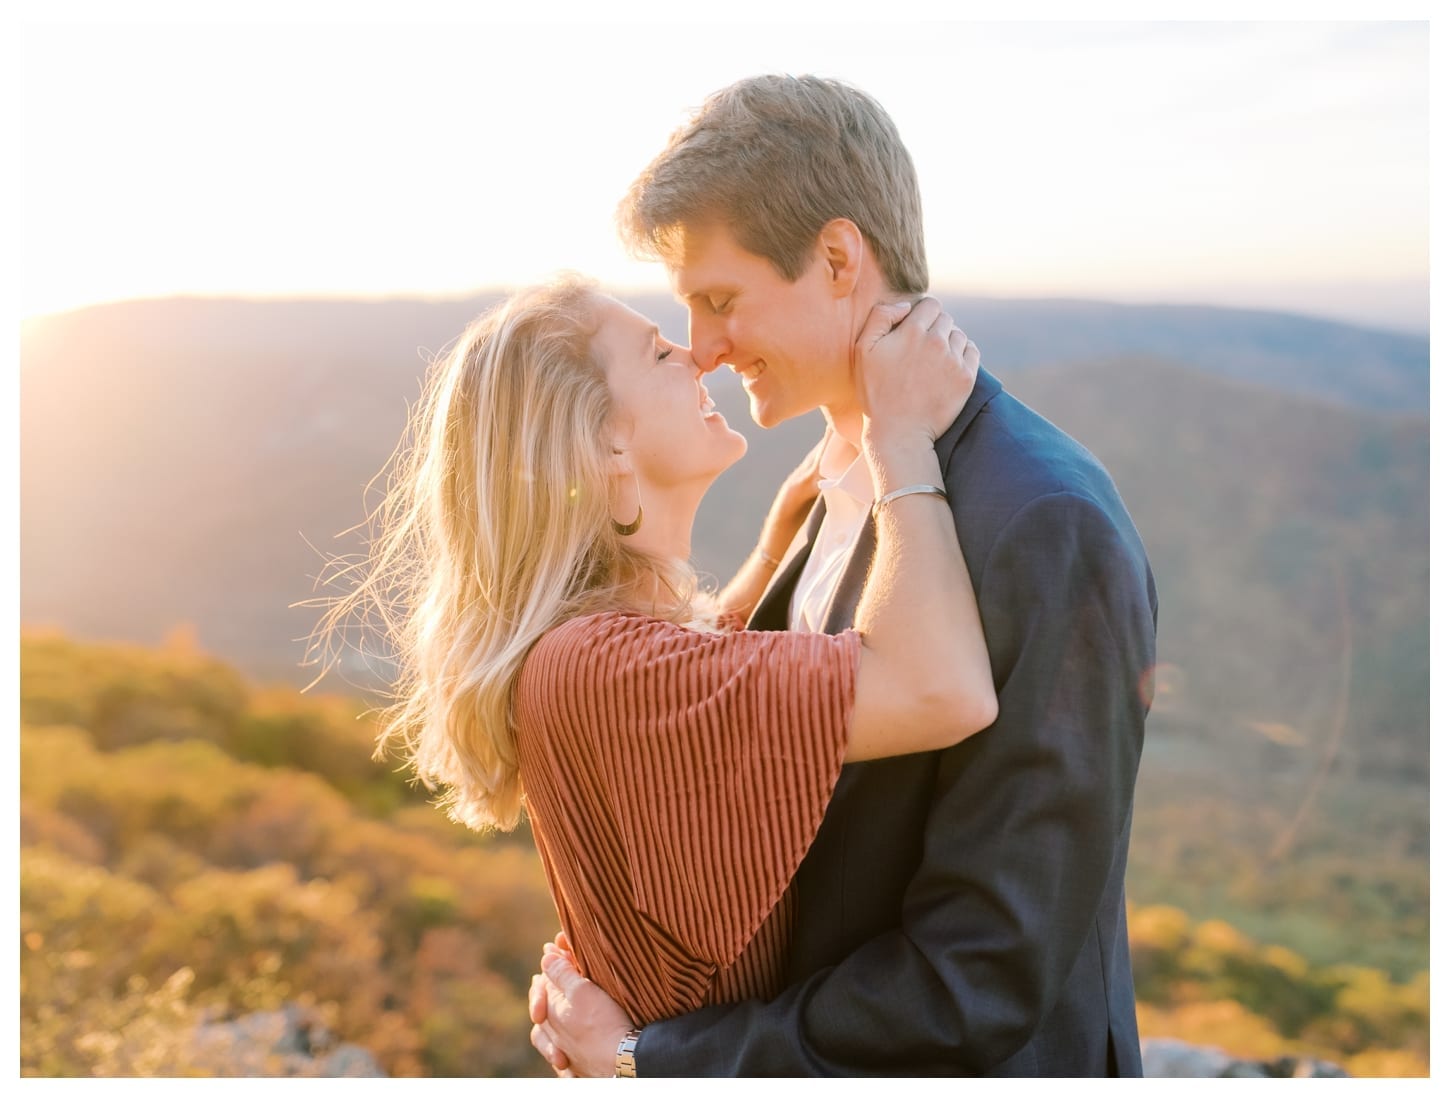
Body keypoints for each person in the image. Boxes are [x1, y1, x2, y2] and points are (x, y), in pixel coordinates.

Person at [528, 74, 1158, 1077]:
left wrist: (660, 1055)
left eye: (720, 301)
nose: (701, 349)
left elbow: (979, 978)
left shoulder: (1041, 522)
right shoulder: (830, 486)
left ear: (835, 259)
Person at [315, 270, 997, 1032]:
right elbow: (942, 691)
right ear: (605, 443)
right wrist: (900, 441)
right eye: (658, 354)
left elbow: (702, 668)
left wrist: (775, 548)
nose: (697, 356)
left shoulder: (590, 651)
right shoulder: (602, 667)